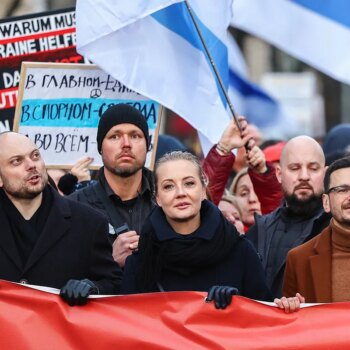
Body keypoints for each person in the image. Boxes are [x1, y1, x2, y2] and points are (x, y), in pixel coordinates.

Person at [121, 151, 271, 306]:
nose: (180, 193)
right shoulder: (139, 263)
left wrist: (238, 305)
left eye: (189, 183)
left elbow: (265, 319)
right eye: (168, 186)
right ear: (157, 197)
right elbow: (129, 323)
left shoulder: (241, 251)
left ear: (203, 190)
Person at [0, 132, 122, 306]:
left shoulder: (89, 223)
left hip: (59, 331)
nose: (31, 165)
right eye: (16, 161)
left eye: (35, 156)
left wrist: (92, 287)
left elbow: (114, 284)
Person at [69, 104, 156, 268]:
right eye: (115, 136)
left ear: (147, 145)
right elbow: (61, 272)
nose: (126, 144)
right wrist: (109, 261)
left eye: (135, 136)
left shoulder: (167, 201)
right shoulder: (73, 207)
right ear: (100, 147)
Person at [247, 135, 331, 298]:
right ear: (279, 174)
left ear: (325, 174)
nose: (304, 176)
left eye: (313, 168)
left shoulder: (338, 230)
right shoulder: (259, 231)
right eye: (294, 168)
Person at [282, 157, 350, 303]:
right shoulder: (299, 260)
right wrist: (290, 308)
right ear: (326, 202)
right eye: (342, 190)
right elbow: (291, 323)